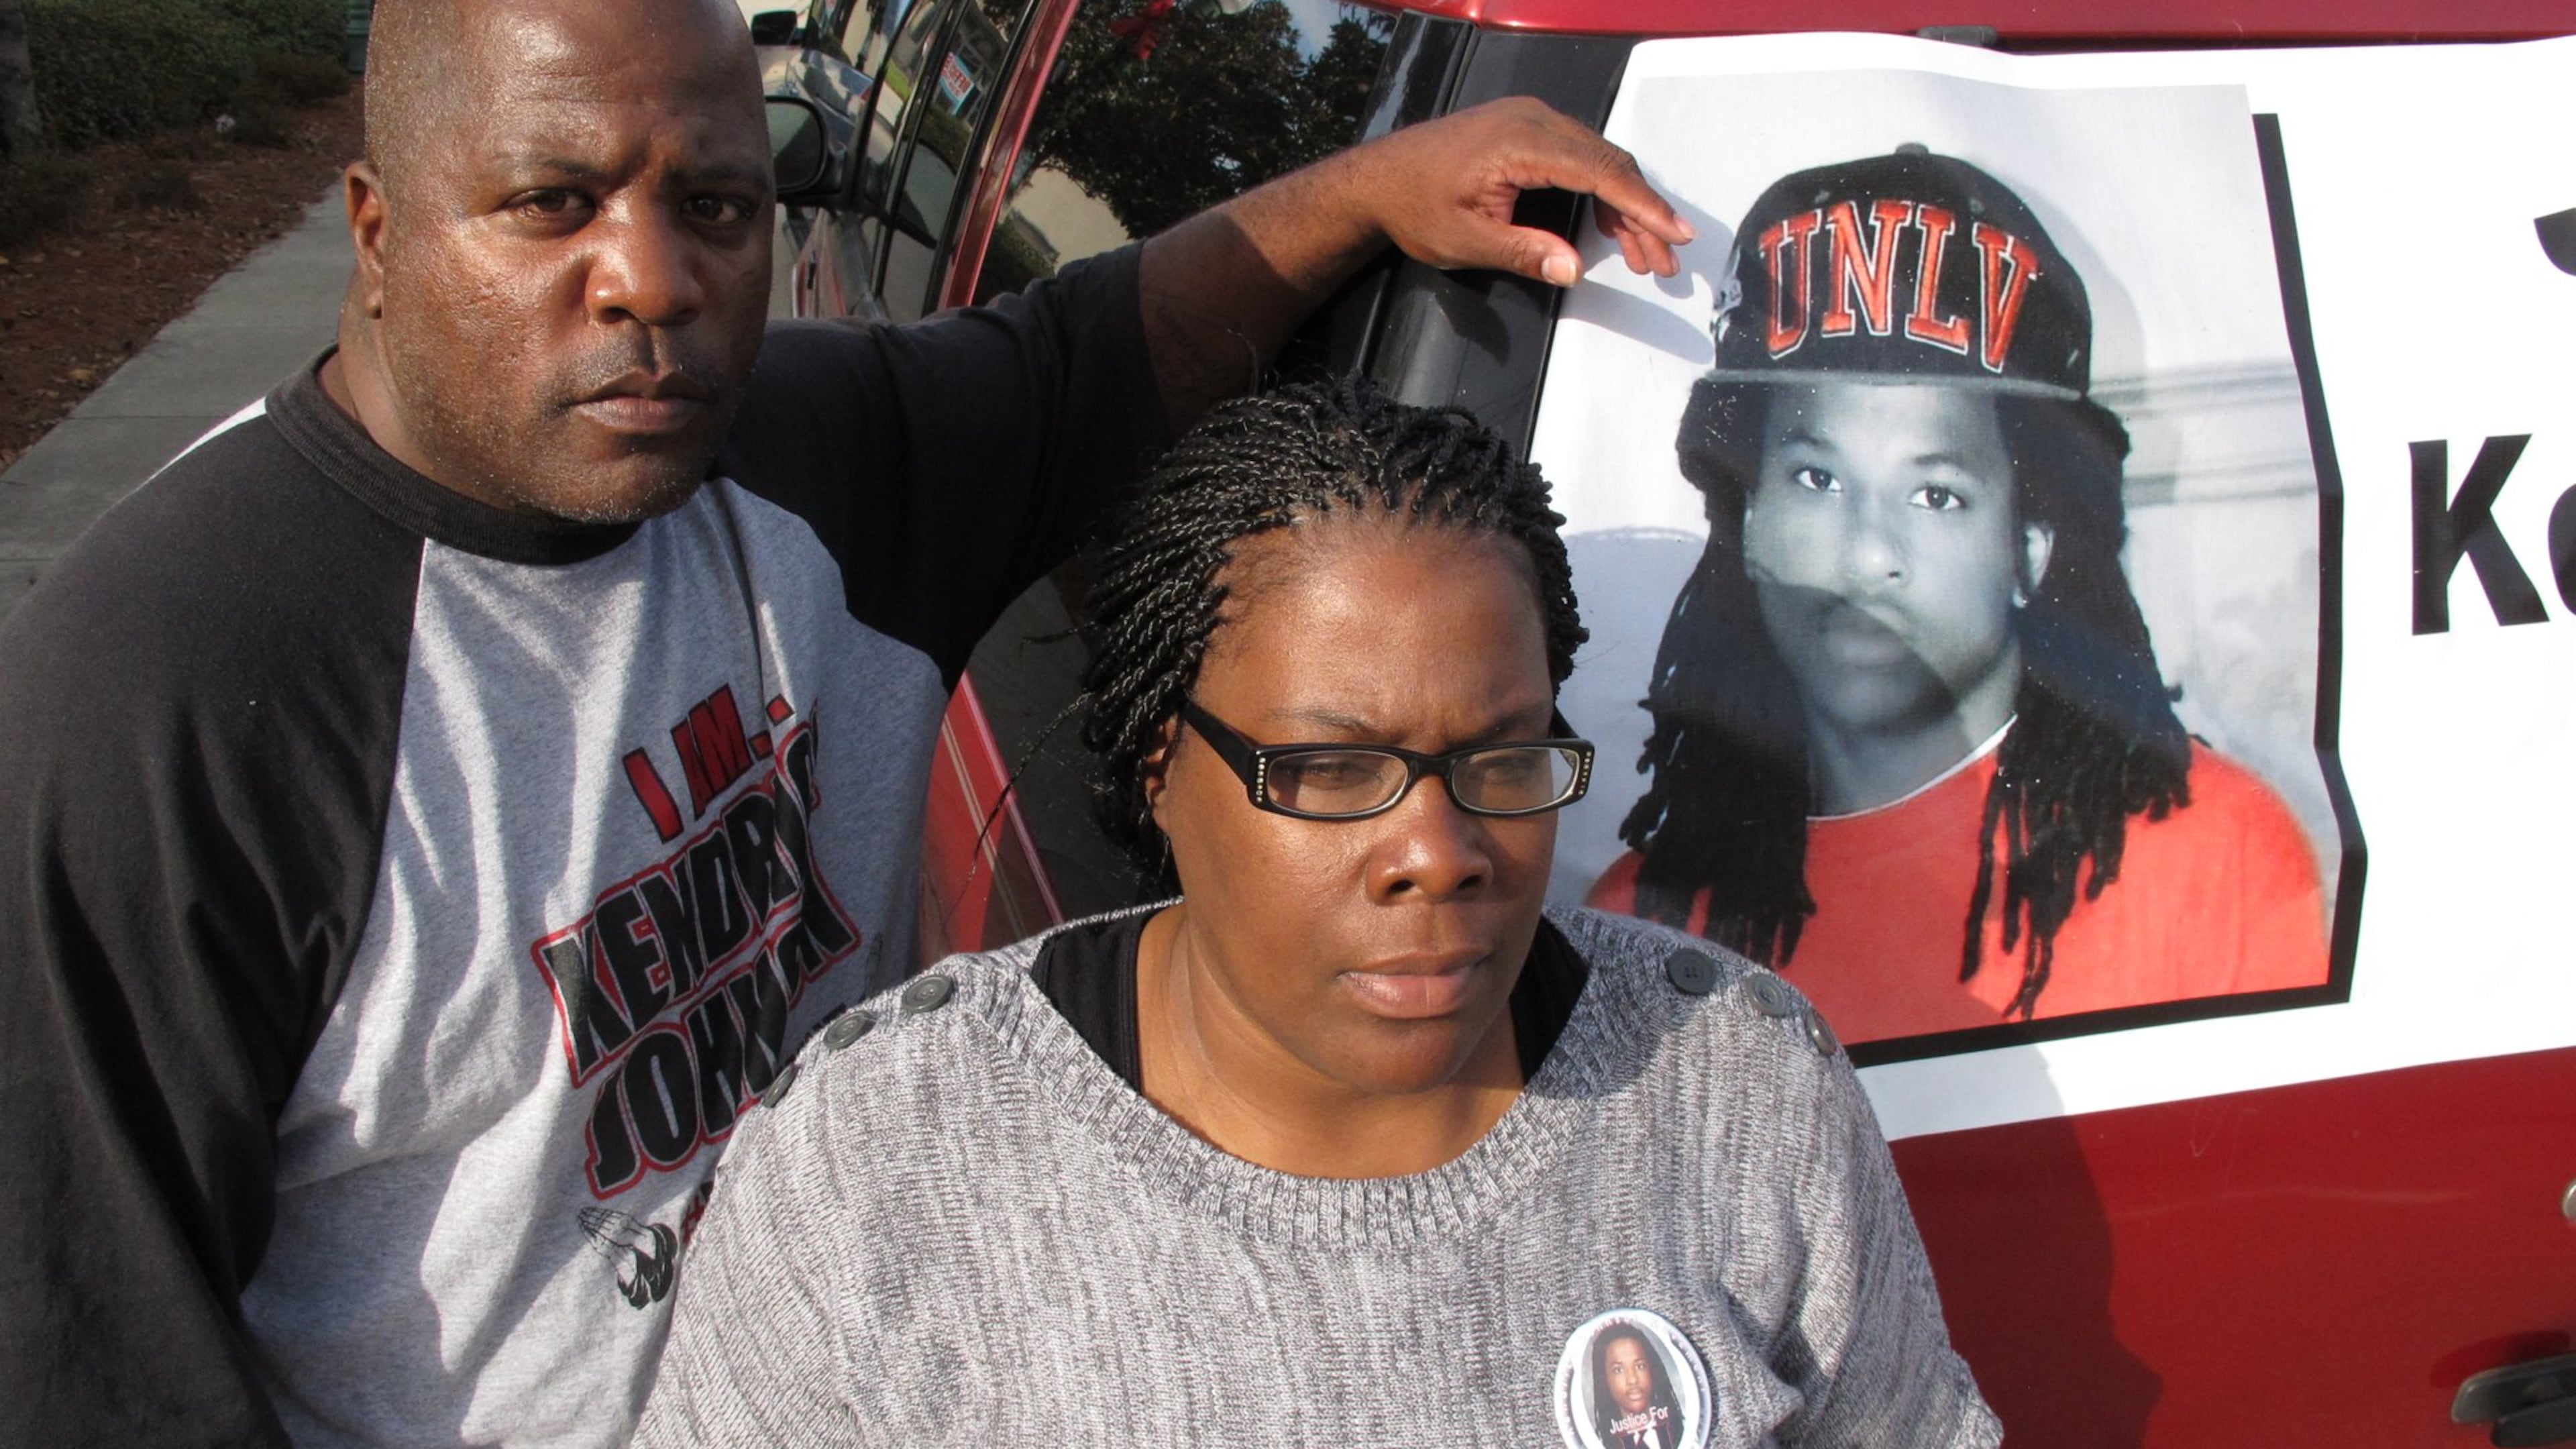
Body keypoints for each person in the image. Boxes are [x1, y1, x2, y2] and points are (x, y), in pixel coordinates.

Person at [0, 0, 1694, 1442]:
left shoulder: (796, 462)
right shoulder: (163, 699)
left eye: (717, 208)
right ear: (374, 230)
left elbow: (1083, 354)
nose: (648, 281)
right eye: (548, 203)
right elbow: (94, 1358)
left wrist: (1369, 191)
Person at [635, 381, 2000, 1447]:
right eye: (1334, 770)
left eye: (1501, 758)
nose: (1440, 852)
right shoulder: (880, 1167)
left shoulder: (1735, 1090)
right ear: (1164, 769)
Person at [1587, 148, 2328, 1044]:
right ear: (1748, 513)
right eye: (1817, 477)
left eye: (1935, 494)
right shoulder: (1642, 921)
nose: (1867, 556)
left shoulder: (2214, 851)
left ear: (2032, 541)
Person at [1593, 1322, 1686, 1449]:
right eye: (1619, 1370)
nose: (1632, 1379)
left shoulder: (1687, 1429)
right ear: (1605, 1379)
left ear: (1652, 1370)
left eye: (1640, 1366)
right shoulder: (1597, 1443)